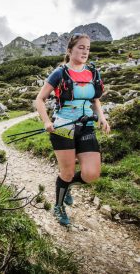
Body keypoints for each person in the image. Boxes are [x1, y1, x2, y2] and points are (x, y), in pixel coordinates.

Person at [36, 33, 110, 226]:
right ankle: (59, 206)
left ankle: (66, 185)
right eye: (81, 47)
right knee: (67, 172)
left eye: (88, 48)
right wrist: (46, 121)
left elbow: (95, 99)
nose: (85, 51)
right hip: (62, 127)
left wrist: (101, 117)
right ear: (70, 50)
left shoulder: (92, 72)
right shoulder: (59, 73)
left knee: (91, 174)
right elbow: (39, 99)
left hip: (86, 126)